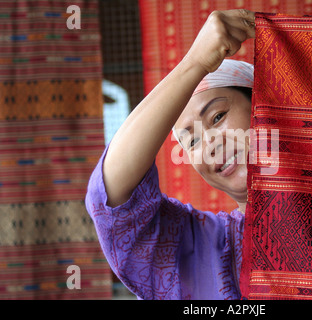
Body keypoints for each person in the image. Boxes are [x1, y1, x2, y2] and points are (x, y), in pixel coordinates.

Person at [85, 9, 256, 300]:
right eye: (191, 142)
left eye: (217, 117)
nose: (210, 144)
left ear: (263, 107)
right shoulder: (195, 248)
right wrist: (196, 62)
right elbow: (111, 199)